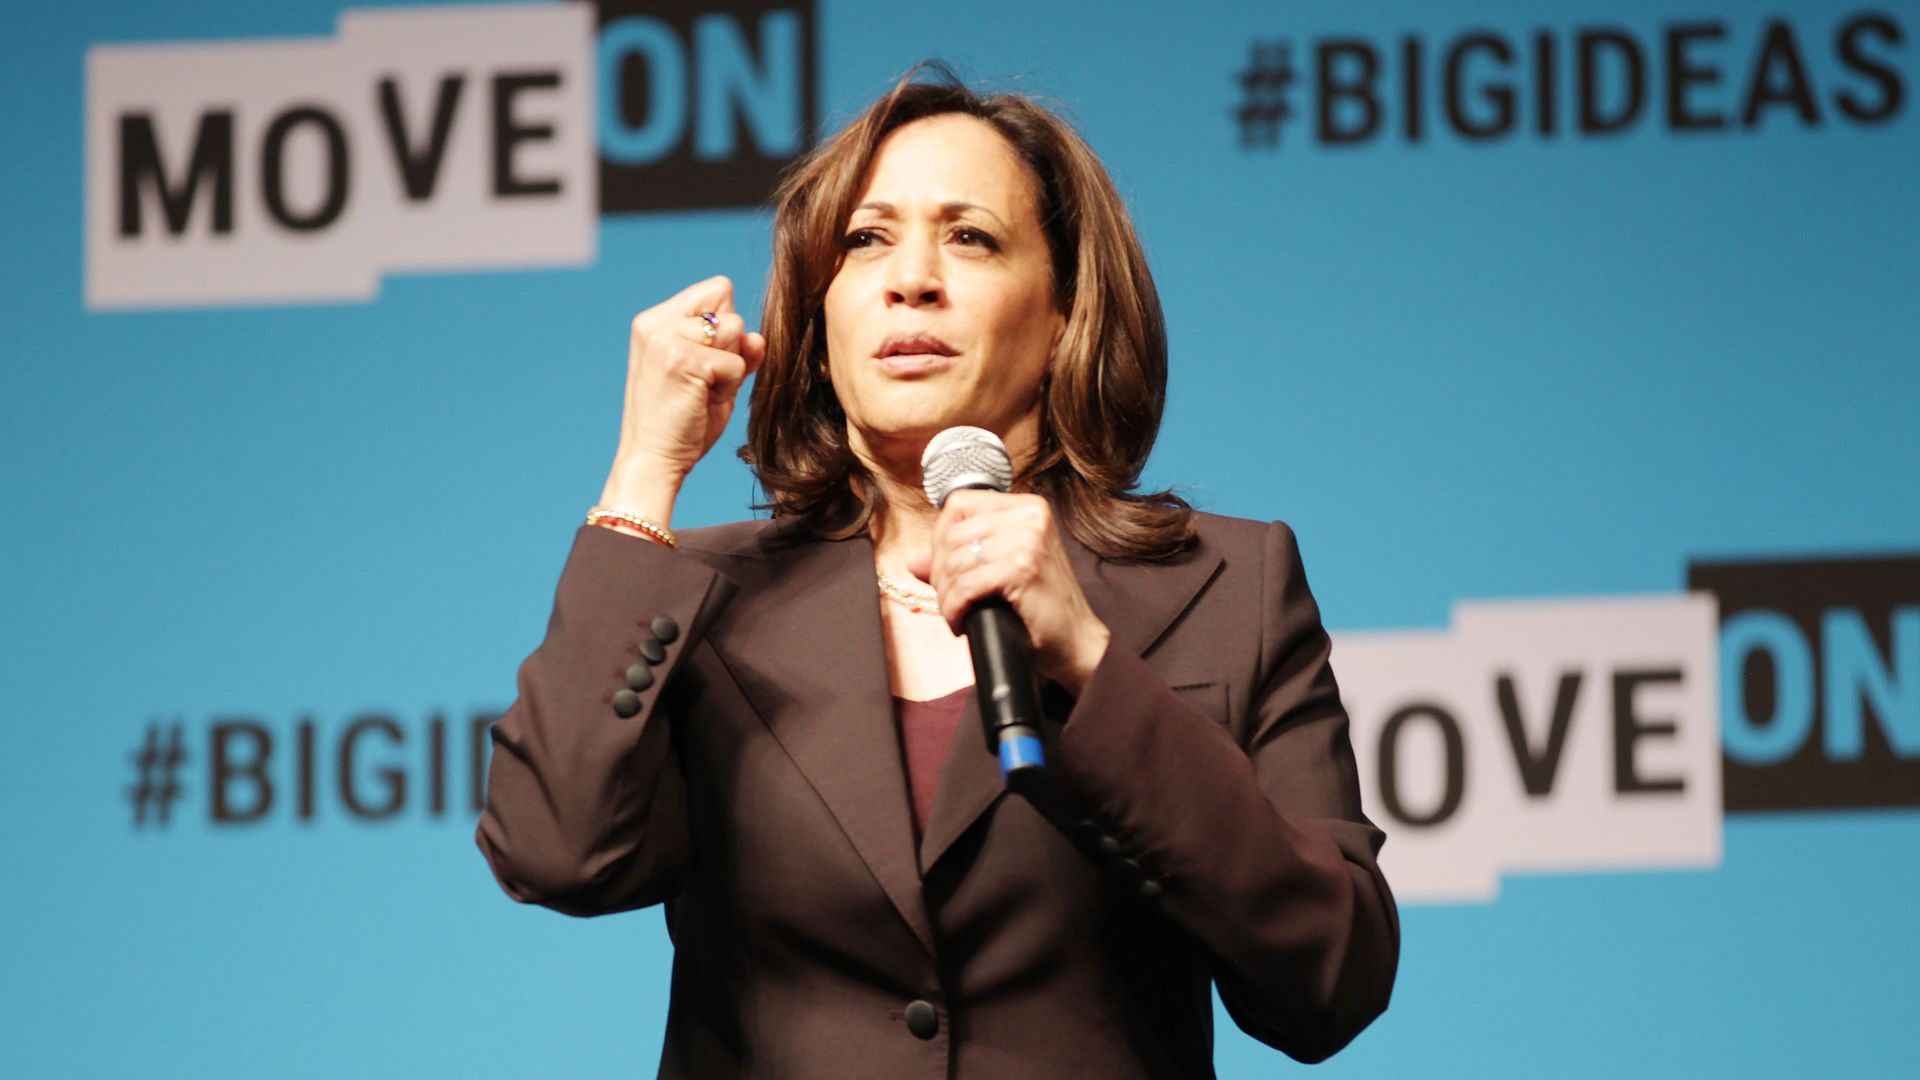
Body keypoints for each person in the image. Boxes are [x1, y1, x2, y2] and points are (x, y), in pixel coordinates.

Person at [476, 68, 1398, 1079]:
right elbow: (553, 851)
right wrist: (645, 470)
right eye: (866, 240)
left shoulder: (1227, 585)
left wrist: (1092, 668)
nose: (911, 278)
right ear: (818, 326)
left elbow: (1331, 978)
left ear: (1064, 310)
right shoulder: (704, 599)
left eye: (970, 237)